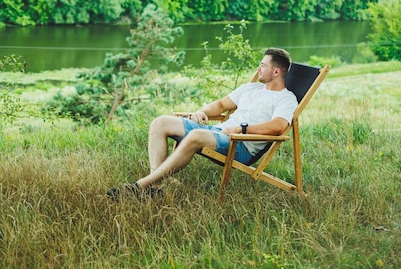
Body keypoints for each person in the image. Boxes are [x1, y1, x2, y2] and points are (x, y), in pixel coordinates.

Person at [107, 47, 298, 200]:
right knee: (160, 122)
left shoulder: (286, 99)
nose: (258, 68)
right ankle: (156, 188)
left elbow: (279, 126)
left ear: (276, 71)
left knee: (196, 136)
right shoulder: (250, 88)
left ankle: (141, 186)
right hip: (217, 132)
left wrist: (242, 128)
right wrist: (201, 112)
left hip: (239, 144)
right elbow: (222, 104)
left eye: (262, 65)